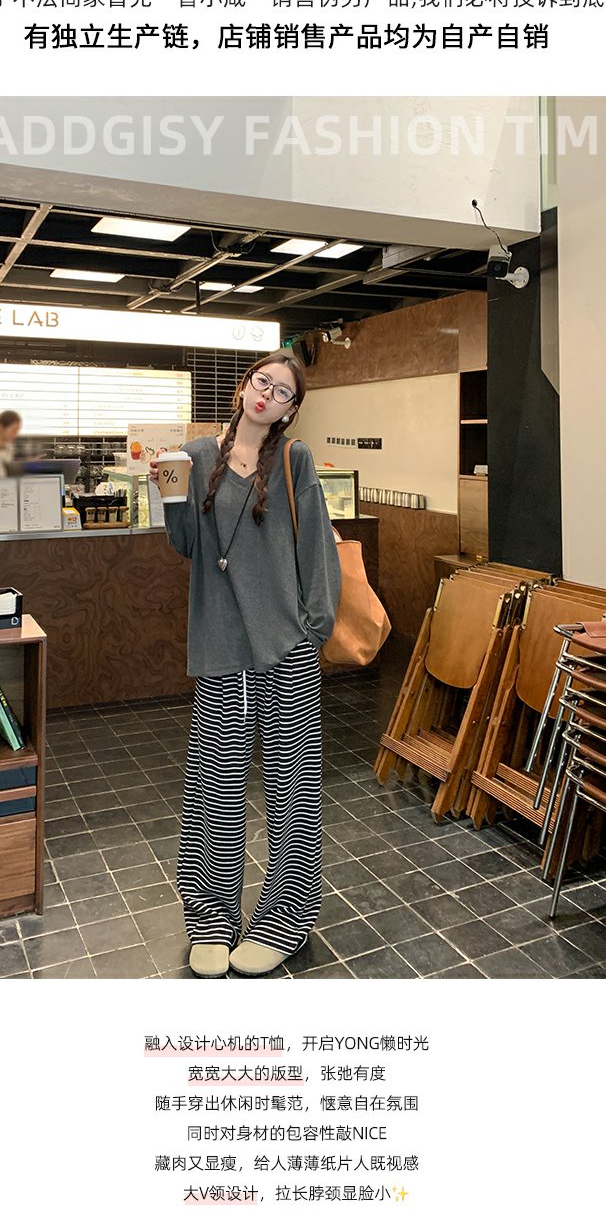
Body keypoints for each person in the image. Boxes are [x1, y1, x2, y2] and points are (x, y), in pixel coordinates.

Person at [152, 351, 341, 979]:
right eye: (263, 381)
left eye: (282, 391)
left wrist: (314, 628)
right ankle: (210, 918)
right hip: (222, 642)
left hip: (287, 645)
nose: (267, 395)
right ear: (244, 386)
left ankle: (287, 919)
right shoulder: (195, 456)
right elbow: (186, 543)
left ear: (291, 409)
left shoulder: (293, 460)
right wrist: (168, 493)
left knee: (294, 791)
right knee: (215, 790)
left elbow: (317, 550)